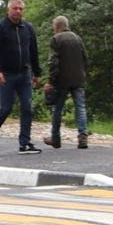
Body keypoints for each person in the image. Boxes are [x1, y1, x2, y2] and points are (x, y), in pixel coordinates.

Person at [0, 0, 40, 154]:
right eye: (15, 8)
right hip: (6, 74)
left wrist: (37, 72)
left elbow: (33, 51)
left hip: (24, 74)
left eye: (20, 9)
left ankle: (25, 142)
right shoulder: (0, 28)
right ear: (8, 10)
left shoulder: (28, 28)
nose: (18, 12)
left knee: (27, 108)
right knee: (6, 108)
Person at [43, 16, 88, 151]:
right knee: (80, 107)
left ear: (56, 26)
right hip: (78, 79)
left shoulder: (56, 39)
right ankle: (82, 136)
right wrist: (83, 74)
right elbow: (85, 58)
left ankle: (55, 138)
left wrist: (51, 80)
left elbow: (53, 62)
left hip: (61, 80)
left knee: (57, 108)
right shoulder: (77, 38)